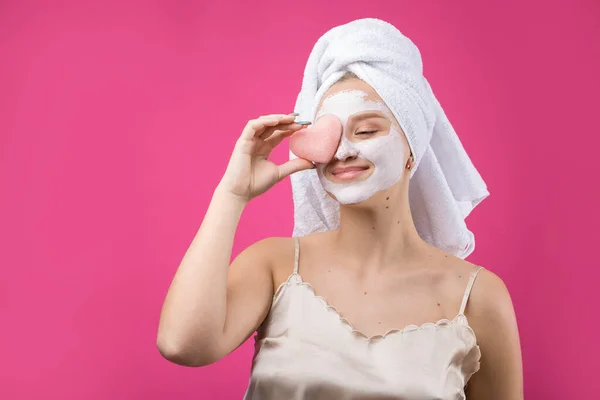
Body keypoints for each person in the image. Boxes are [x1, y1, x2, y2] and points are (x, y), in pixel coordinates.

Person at [157, 18, 523, 399]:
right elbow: (182, 344)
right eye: (328, 134)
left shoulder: (479, 297)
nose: (344, 151)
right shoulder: (275, 266)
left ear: (412, 149)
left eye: (366, 131)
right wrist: (232, 195)